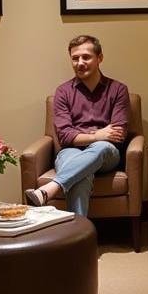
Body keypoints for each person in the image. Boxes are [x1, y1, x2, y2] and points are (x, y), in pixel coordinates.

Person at [24, 35, 130, 216]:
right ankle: (79, 236)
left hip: (107, 153)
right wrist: (98, 134)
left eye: (86, 57)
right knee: (82, 175)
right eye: (75, 58)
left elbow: (117, 134)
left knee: (101, 146)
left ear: (100, 58)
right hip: (70, 151)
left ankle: (51, 188)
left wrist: (86, 136)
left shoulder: (118, 89)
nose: (80, 63)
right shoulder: (63, 92)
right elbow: (65, 136)